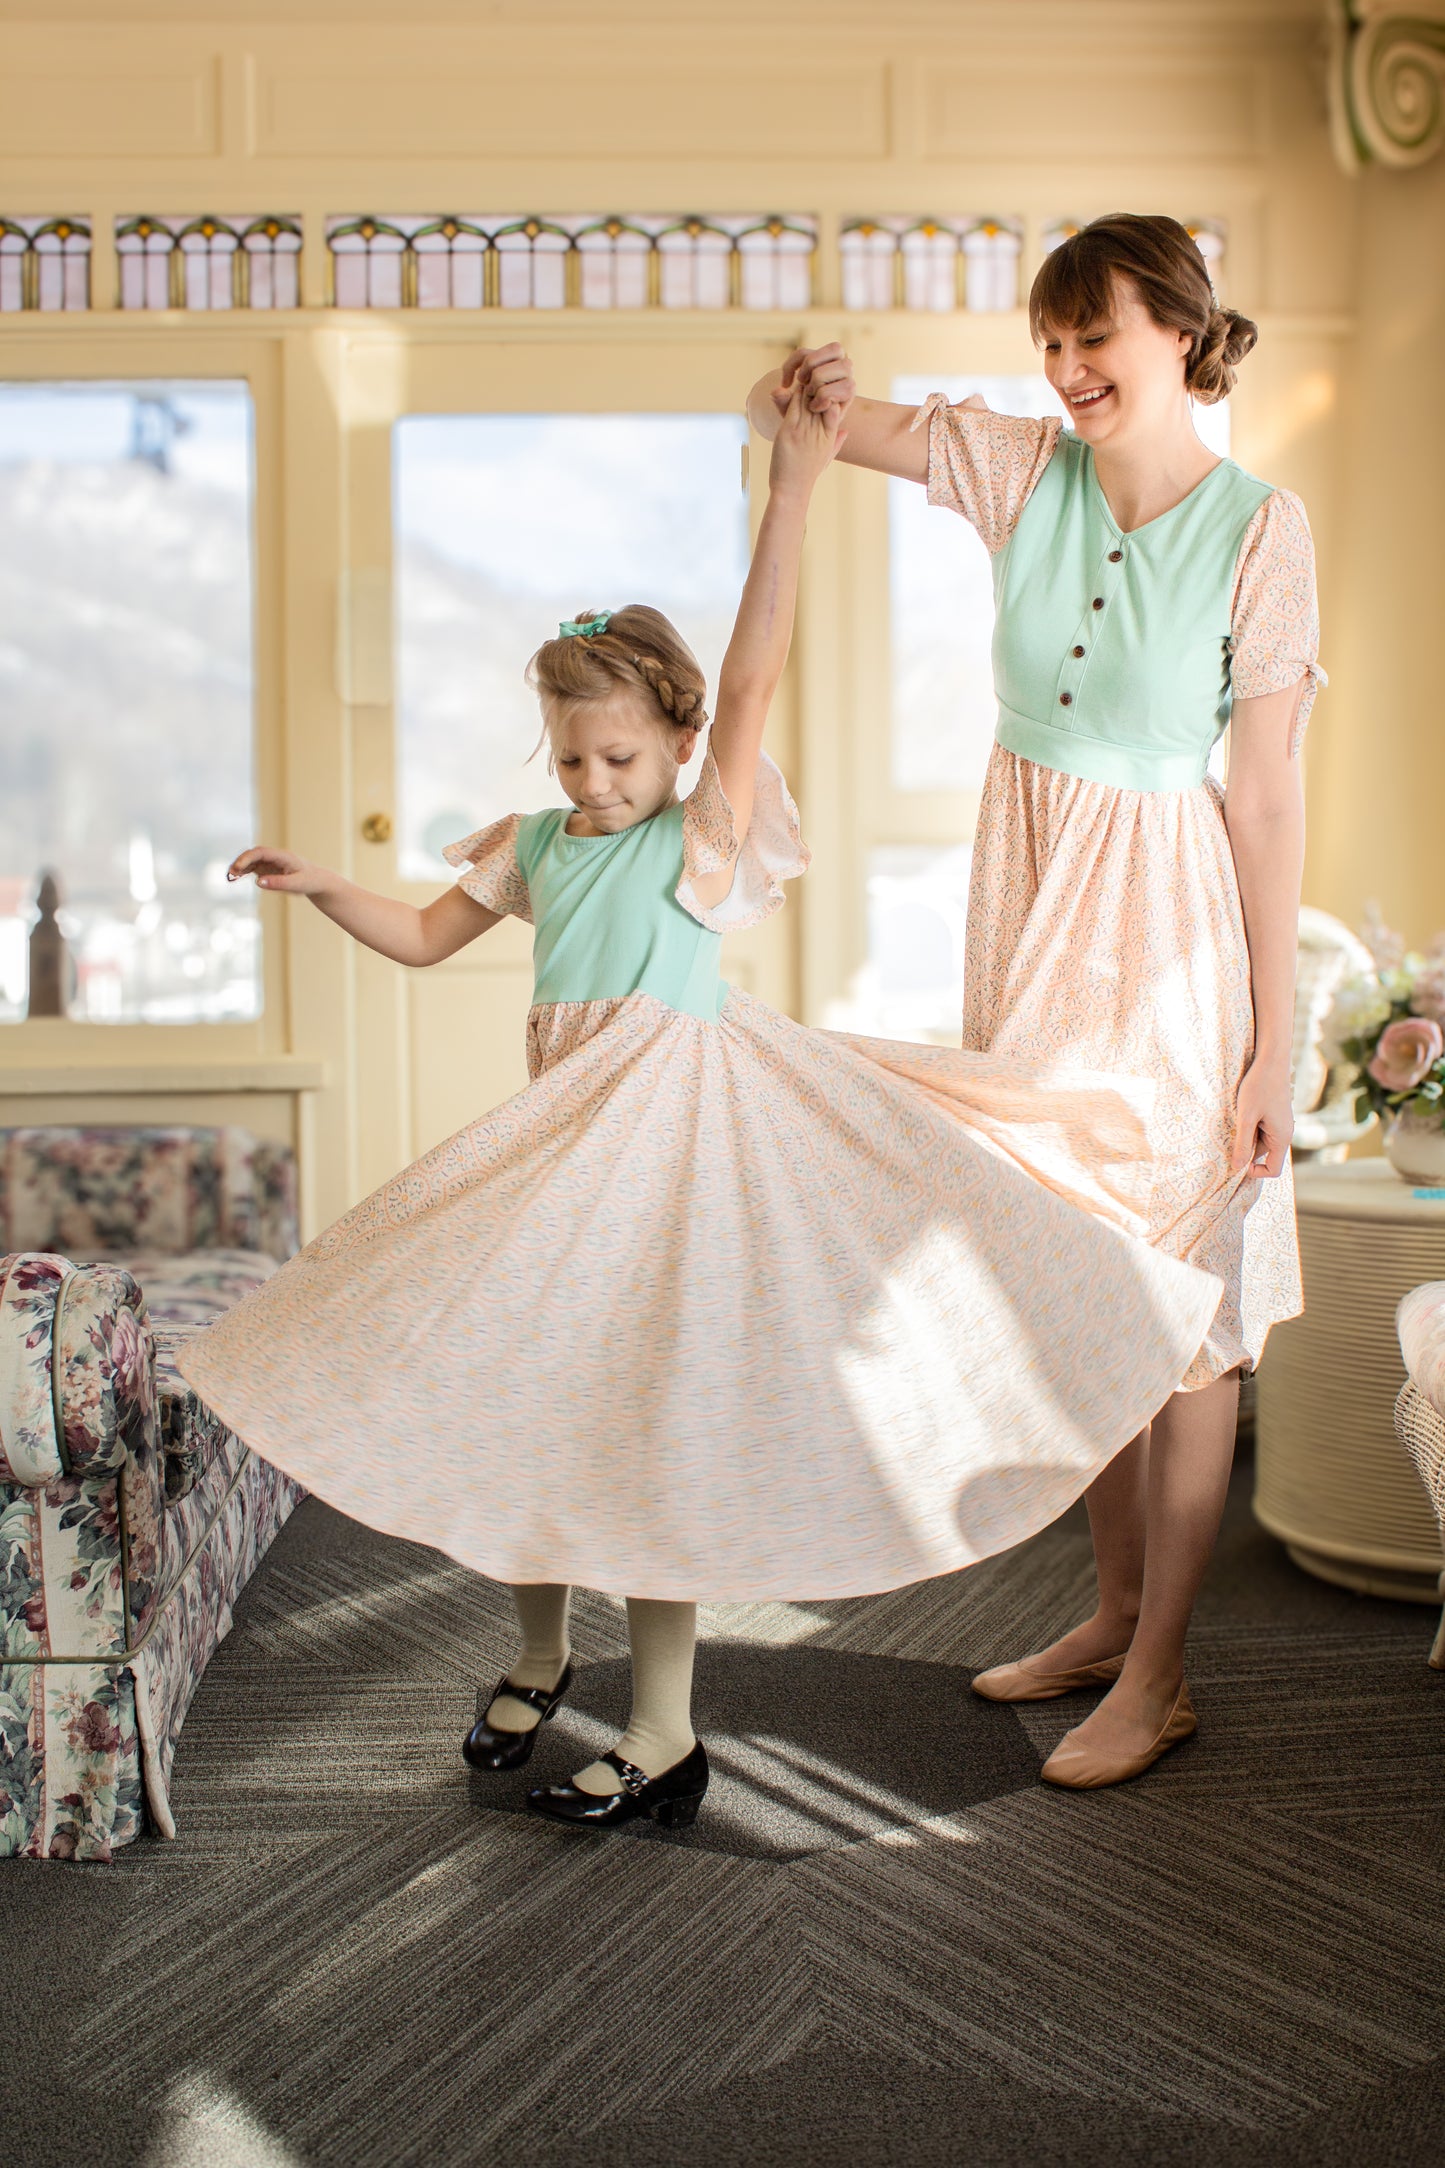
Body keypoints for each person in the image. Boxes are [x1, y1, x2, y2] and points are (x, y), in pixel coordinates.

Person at [179, 379, 1220, 1835]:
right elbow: (422, 939)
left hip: (675, 1171)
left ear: (674, 747)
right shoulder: (537, 844)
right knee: (522, 1395)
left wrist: (789, 494)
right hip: (562, 1166)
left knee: (643, 1427)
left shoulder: (695, 832)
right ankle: (543, 1653)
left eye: (620, 760)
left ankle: (665, 1731)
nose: (595, 786)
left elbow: (759, 670)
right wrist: (318, 888)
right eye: (571, 761)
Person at [746, 211, 1320, 1788]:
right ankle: (1108, 1609)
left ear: (1181, 337)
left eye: (1097, 339)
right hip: (1028, 903)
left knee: (1184, 1319)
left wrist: (1274, 1042)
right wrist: (803, 391)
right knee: (1078, 1287)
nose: (1067, 372)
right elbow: (824, 426)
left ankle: (1159, 1673)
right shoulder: (1022, 470)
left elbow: (1263, 801)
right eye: (1048, 344)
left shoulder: (1262, 532)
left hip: (1167, 936)